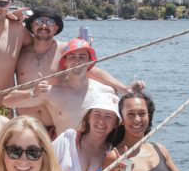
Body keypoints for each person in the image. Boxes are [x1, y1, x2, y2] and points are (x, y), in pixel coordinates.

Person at [15, 8, 140, 138]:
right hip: (25, 125)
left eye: (50, 22)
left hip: (53, 126)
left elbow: (91, 71)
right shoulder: (20, 53)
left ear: (56, 28)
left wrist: (123, 88)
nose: (44, 26)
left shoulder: (65, 51)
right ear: (31, 25)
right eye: (39, 21)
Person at [4, 38, 114, 137]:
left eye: (82, 57)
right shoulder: (53, 92)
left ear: (89, 61)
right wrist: (33, 92)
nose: (77, 61)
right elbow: (7, 102)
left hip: (95, 152)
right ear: (65, 62)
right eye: (72, 57)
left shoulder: (104, 91)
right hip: (65, 152)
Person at [52, 90, 120, 171]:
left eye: (108, 116)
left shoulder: (112, 155)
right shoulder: (67, 139)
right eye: (97, 114)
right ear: (88, 117)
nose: (101, 121)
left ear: (116, 123)